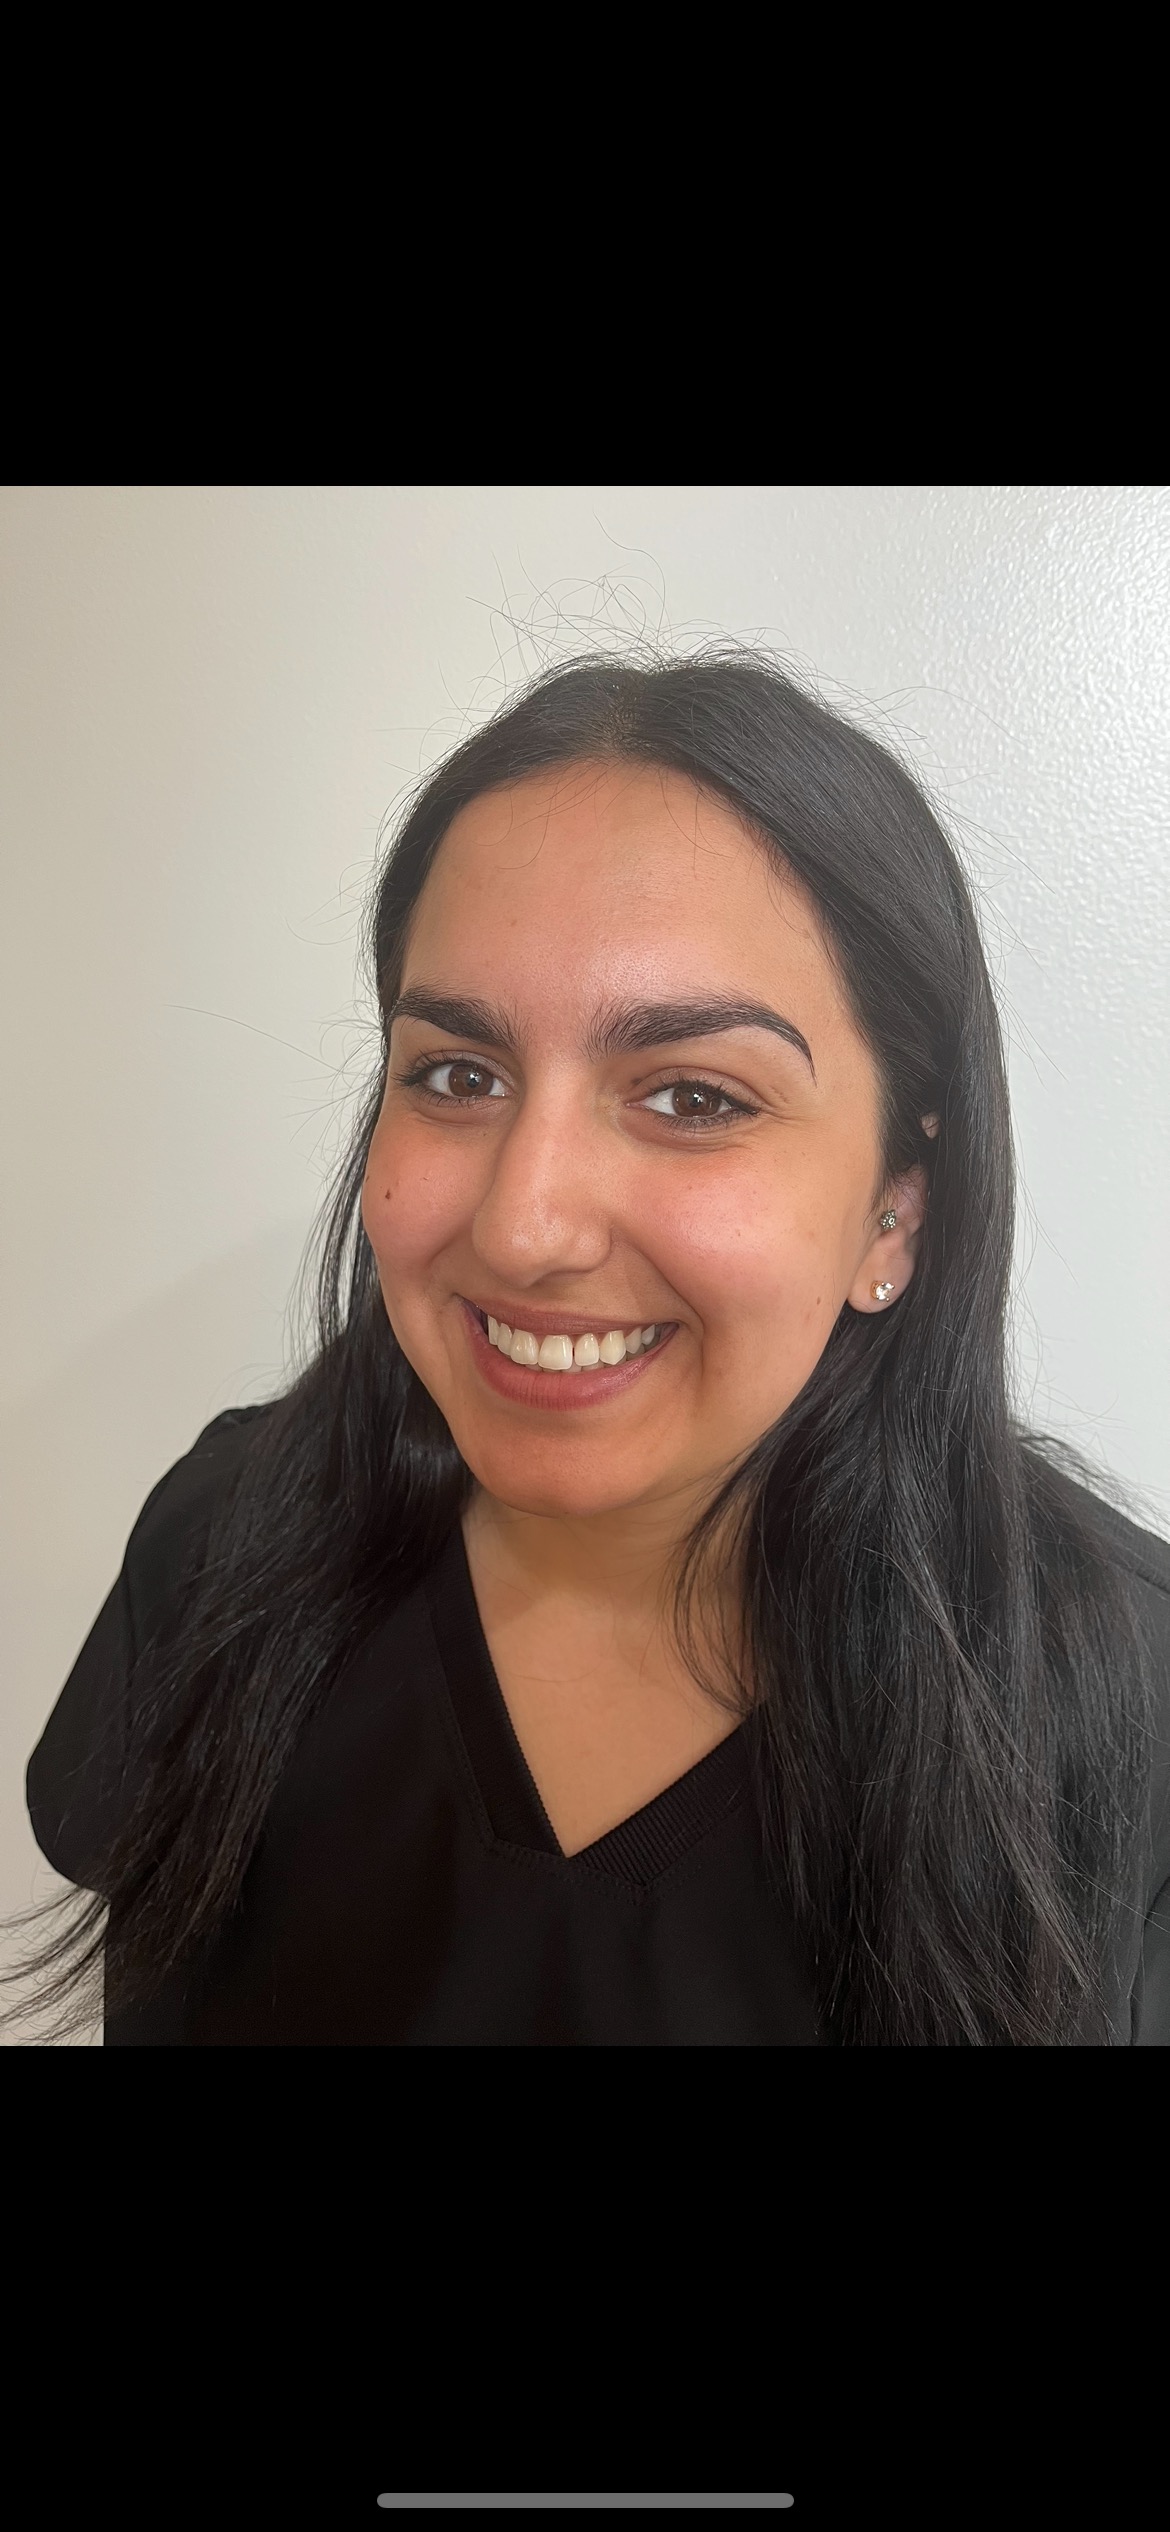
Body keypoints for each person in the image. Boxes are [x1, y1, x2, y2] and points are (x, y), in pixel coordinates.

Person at [13, 648, 1170, 2045]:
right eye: (457, 1074)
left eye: (693, 1097)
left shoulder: (1123, 1691)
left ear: (896, 1209)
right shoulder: (224, 1548)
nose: (523, 1227)